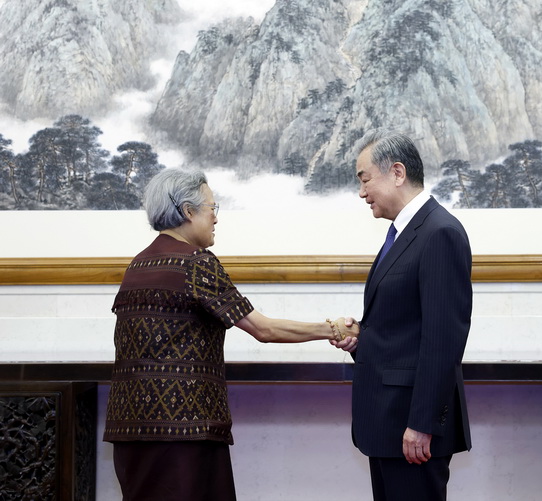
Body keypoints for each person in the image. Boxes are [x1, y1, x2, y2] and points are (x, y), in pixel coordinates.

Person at [103, 167, 358, 501]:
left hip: (129, 431)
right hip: (184, 432)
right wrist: (332, 329)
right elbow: (263, 329)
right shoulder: (196, 263)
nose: (216, 218)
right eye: (212, 208)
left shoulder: (137, 265)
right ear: (188, 211)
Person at [333, 128, 472, 500]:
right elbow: (403, 326)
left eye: (365, 180)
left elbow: (443, 339)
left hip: (412, 427)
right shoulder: (402, 233)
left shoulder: (439, 232)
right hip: (389, 422)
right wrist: (362, 339)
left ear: (397, 172)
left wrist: (422, 424)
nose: (361, 192)